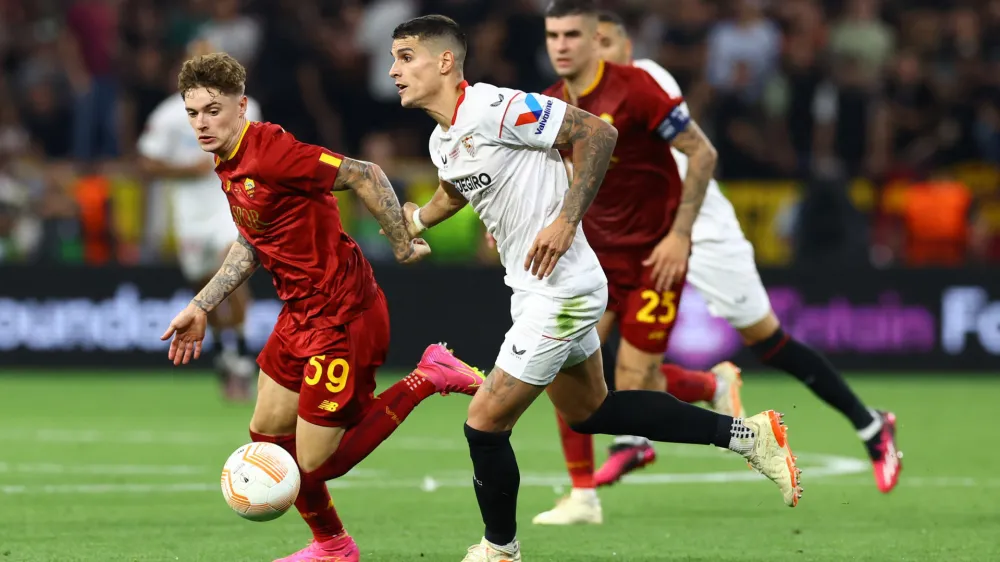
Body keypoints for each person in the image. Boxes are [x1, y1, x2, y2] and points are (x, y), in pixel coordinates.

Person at [388, 13, 802, 561]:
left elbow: (596, 132)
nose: (394, 70)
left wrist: (564, 219)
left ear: (445, 62)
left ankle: (499, 549)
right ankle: (750, 437)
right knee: (591, 412)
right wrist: (414, 224)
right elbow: (454, 191)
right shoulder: (447, 137)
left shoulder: (497, 106)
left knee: (485, 421)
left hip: (563, 290)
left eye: (406, 57)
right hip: (539, 288)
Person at [159, 52, 485, 562]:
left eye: (213, 110)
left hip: (342, 314)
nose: (203, 123)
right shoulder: (228, 160)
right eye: (193, 113)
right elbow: (252, 241)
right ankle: (332, 545)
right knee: (267, 436)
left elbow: (365, 173)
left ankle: (429, 374)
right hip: (298, 315)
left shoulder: (269, 151)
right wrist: (202, 305)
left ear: (240, 106)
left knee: (315, 464)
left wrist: (402, 242)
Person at [591, 9, 901, 492]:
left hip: (701, 228)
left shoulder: (643, 78)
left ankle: (871, 424)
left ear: (626, 47)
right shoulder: (579, 96)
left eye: (604, 42)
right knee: (590, 345)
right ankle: (632, 439)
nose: (594, 51)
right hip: (642, 236)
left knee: (769, 342)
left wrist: (680, 233)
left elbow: (694, 154)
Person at [532, 0, 744, 525]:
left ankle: (711, 389)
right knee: (558, 363)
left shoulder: (637, 88)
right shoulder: (550, 105)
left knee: (632, 376)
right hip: (595, 260)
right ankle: (582, 495)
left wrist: (679, 235)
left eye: (572, 35)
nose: (561, 45)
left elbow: (704, 154)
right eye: (552, 35)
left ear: (593, 39)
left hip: (655, 254)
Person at [138, 40, 260, 401]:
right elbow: (146, 163)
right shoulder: (168, 115)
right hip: (190, 217)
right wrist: (186, 170)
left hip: (230, 207)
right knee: (206, 292)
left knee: (232, 275)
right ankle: (228, 352)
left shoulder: (244, 107)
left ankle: (238, 353)